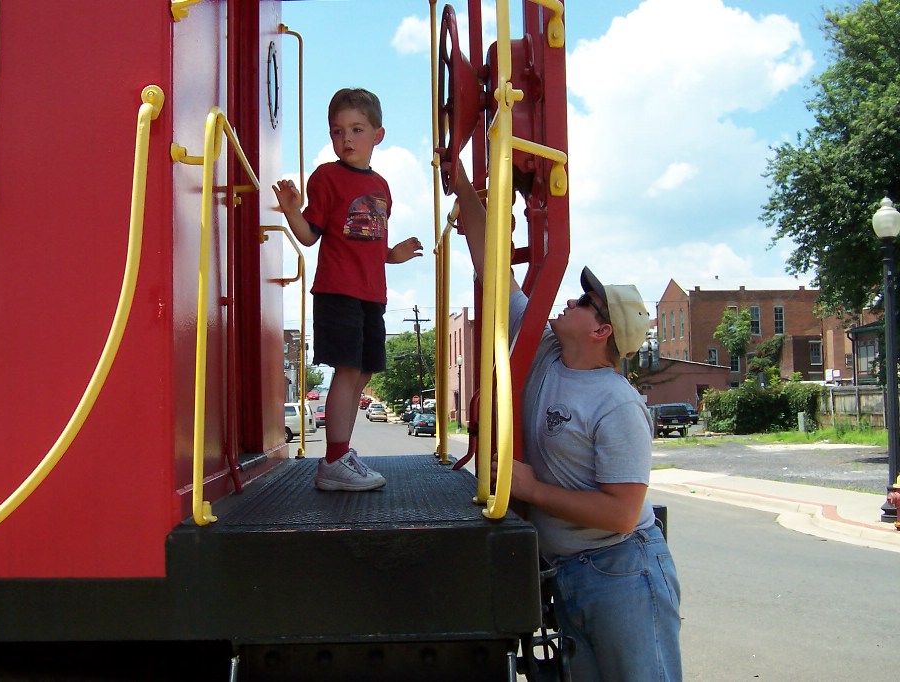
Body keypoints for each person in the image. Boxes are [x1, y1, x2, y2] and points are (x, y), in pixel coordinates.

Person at [449, 159, 682, 681]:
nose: (570, 300)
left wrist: (527, 488)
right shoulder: (545, 350)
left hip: (623, 572)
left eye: (584, 302)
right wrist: (464, 186)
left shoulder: (617, 403)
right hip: (574, 572)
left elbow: (622, 513)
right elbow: (494, 269)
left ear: (601, 332)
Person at [272, 88, 423, 492]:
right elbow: (309, 236)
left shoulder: (382, 187)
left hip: (373, 294)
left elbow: (370, 244)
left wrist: (396, 253)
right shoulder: (326, 177)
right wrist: (290, 210)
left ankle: (342, 453)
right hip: (338, 291)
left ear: (378, 134)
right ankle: (334, 459)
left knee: (365, 371)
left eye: (357, 129)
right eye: (337, 131)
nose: (347, 140)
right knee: (348, 369)